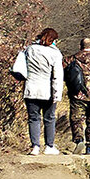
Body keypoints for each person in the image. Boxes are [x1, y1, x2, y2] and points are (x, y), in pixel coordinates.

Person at [12, 27, 64, 155]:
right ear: (53, 40)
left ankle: (35, 146)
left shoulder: (29, 49)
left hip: (31, 88)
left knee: (33, 118)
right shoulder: (55, 53)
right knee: (49, 118)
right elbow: (57, 75)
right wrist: (57, 94)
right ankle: (49, 146)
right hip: (48, 91)